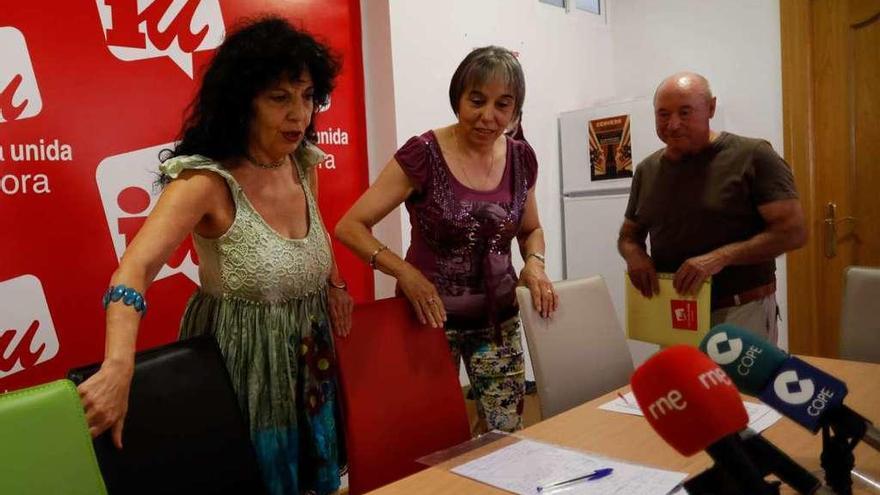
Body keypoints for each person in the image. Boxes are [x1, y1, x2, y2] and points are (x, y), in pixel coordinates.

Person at [77, 18, 352, 495]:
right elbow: (134, 270)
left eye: (307, 96)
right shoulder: (206, 182)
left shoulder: (302, 164)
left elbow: (316, 238)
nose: (299, 115)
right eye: (280, 98)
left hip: (310, 360)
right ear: (243, 101)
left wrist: (334, 283)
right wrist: (118, 366)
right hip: (241, 372)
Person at [335, 46, 557, 434]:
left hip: (498, 323)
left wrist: (534, 262)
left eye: (502, 105)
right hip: (427, 321)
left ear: (515, 111)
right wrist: (404, 273)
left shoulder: (522, 159)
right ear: (458, 98)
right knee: (426, 434)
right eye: (477, 100)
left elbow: (530, 228)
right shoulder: (424, 154)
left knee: (504, 435)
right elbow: (350, 225)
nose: (488, 116)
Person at [618, 72, 806, 343]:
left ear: (711, 108)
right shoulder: (647, 170)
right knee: (678, 386)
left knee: (738, 388)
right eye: (663, 114)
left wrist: (720, 257)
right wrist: (636, 257)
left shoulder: (753, 156)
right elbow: (629, 236)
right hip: (676, 310)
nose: (673, 125)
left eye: (685, 112)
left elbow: (793, 232)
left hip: (740, 311)